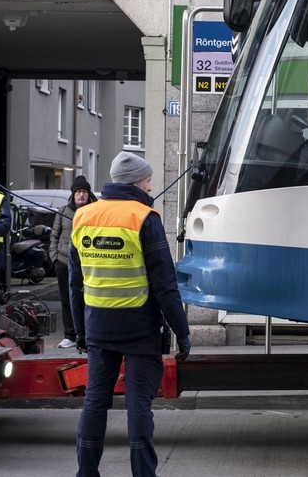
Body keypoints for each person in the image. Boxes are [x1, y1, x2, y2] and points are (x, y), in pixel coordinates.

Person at [69, 151, 191, 477]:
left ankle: (86, 473)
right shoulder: (145, 218)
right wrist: (183, 331)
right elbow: (165, 285)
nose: (151, 187)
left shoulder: (83, 217)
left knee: (95, 401)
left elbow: (74, 283)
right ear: (138, 182)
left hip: (97, 327)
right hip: (139, 329)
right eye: (149, 181)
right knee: (138, 404)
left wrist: (80, 331)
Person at [50, 175, 97, 349]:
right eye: (78, 192)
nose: (81, 195)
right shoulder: (63, 211)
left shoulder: (95, 210)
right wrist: (54, 257)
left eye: (84, 191)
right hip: (63, 261)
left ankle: (86, 333)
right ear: (73, 194)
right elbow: (54, 235)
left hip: (87, 262)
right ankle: (69, 335)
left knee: (86, 299)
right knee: (66, 299)